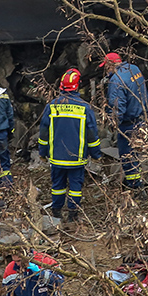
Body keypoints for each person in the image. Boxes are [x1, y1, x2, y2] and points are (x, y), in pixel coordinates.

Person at [38, 68, 100, 223]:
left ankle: (56, 214)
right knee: (75, 188)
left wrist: (42, 153)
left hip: (57, 158)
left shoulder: (52, 106)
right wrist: (96, 154)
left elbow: (43, 133)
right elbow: (92, 135)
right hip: (76, 159)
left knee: (57, 186)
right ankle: (73, 215)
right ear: (77, 86)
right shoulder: (84, 108)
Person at [102, 51, 148, 190]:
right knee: (137, 153)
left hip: (127, 124)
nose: (106, 70)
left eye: (106, 67)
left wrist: (112, 124)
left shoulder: (116, 81)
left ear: (110, 65)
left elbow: (117, 107)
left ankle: (135, 187)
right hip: (142, 118)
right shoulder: (133, 69)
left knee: (127, 157)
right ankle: (139, 181)